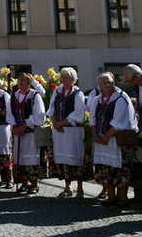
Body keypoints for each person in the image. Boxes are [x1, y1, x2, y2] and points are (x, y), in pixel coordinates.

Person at [89, 71, 137, 207]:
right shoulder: (96, 100)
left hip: (118, 140)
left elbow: (118, 122)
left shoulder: (120, 98)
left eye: (110, 81)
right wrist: (95, 136)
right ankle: (111, 197)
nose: (108, 84)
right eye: (104, 82)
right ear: (99, 84)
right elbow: (92, 120)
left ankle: (122, 198)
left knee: (121, 169)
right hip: (103, 140)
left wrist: (105, 138)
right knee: (106, 168)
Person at [47, 67, 87, 199]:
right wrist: (54, 122)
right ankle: (67, 186)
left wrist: (61, 123)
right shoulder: (58, 91)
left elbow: (78, 113)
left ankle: (80, 187)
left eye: (67, 77)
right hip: (59, 130)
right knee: (64, 158)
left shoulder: (78, 93)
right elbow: (51, 108)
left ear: (73, 79)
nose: (64, 80)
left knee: (76, 157)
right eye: (63, 77)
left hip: (72, 130)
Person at [7, 72, 46, 194]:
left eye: (24, 81)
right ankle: (23, 183)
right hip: (18, 132)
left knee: (31, 159)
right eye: (19, 81)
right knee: (20, 159)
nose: (21, 83)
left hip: (30, 133)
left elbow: (40, 116)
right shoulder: (14, 96)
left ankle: (34, 184)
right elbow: (10, 113)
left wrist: (25, 125)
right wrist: (13, 126)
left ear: (29, 83)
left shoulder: (35, 96)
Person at [122, 64, 142, 203]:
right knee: (137, 163)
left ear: (137, 77)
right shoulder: (134, 88)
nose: (130, 84)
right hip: (137, 131)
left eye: (131, 81)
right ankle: (138, 195)